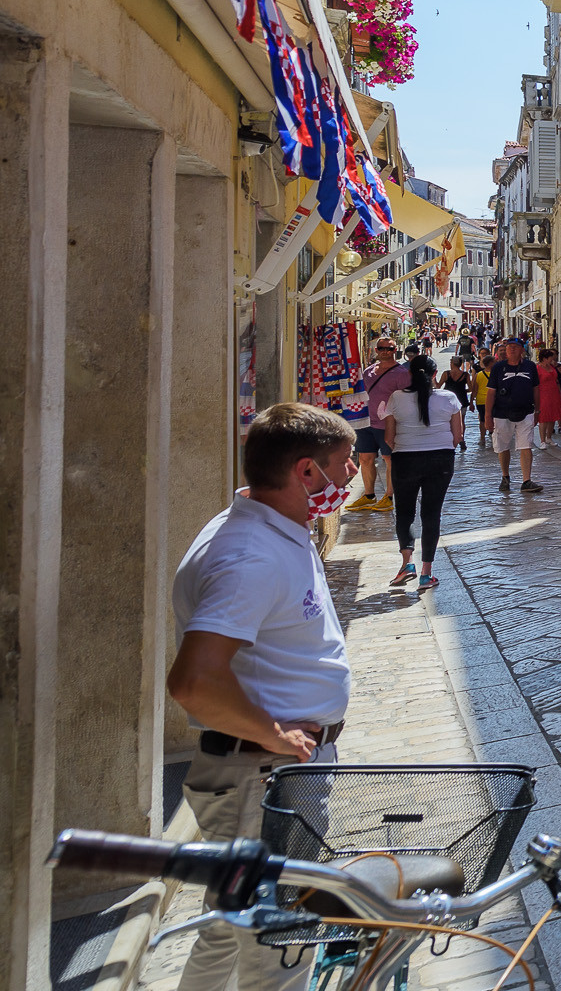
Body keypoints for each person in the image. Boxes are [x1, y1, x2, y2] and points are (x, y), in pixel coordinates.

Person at [167, 403, 357, 991]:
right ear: (306, 471)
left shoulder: (270, 527)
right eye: (345, 462)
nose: (353, 474)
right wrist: (274, 736)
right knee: (280, 946)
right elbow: (193, 680)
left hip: (264, 773)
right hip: (265, 777)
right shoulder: (249, 554)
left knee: (229, 927)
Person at [382, 353, 462, 592]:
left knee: (404, 512)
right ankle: (426, 572)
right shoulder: (449, 398)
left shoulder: (396, 398)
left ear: (409, 373)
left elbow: (388, 438)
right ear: (435, 374)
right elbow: (457, 436)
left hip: (405, 458)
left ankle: (407, 563)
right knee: (431, 514)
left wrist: (405, 447)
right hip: (440, 459)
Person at [347, 335, 406, 511]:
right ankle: (368, 495)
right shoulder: (368, 371)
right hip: (365, 421)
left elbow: (407, 399)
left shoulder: (402, 374)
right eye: (382, 348)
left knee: (389, 459)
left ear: (395, 350)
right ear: (376, 350)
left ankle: (389, 496)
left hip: (388, 424)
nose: (386, 351)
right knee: (365, 458)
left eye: (390, 348)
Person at [485, 337, 542, 494]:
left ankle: (526, 480)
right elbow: (491, 392)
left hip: (526, 411)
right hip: (502, 413)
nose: (511, 349)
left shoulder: (530, 367)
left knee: (526, 445)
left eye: (515, 347)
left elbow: (536, 389)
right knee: (503, 446)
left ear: (522, 350)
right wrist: (488, 415)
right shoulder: (498, 368)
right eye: (509, 347)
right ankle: (505, 476)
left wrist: (537, 410)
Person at [533, 347, 561, 448]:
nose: (552, 359)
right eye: (550, 358)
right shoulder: (537, 368)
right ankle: (542, 440)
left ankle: (549, 437)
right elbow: (535, 383)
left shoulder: (552, 366)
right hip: (543, 394)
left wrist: (560, 392)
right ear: (544, 358)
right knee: (543, 417)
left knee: (553, 416)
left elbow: (559, 377)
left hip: (554, 393)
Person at [471, 360, 493, 445]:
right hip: (492, 400)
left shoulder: (478, 375)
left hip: (480, 400)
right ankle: (494, 437)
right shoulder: (495, 374)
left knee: (482, 420)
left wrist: (471, 402)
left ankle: (482, 438)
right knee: (494, 418)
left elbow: (474, 389)